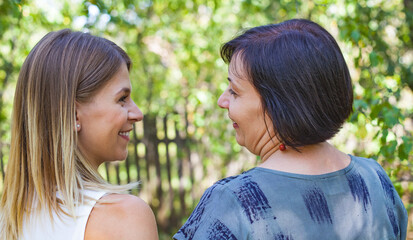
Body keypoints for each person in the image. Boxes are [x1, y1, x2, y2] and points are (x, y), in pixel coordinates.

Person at [174, 19, 408, 239]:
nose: (222, 101)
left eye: (234, 91)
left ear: (280, 105)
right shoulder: (376, 179)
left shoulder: (235, 200)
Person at [0, 29, 158, 240]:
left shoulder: (8, 220)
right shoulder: (123, 217)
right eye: (122, 99)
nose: (137, 114)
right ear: (73, 115)